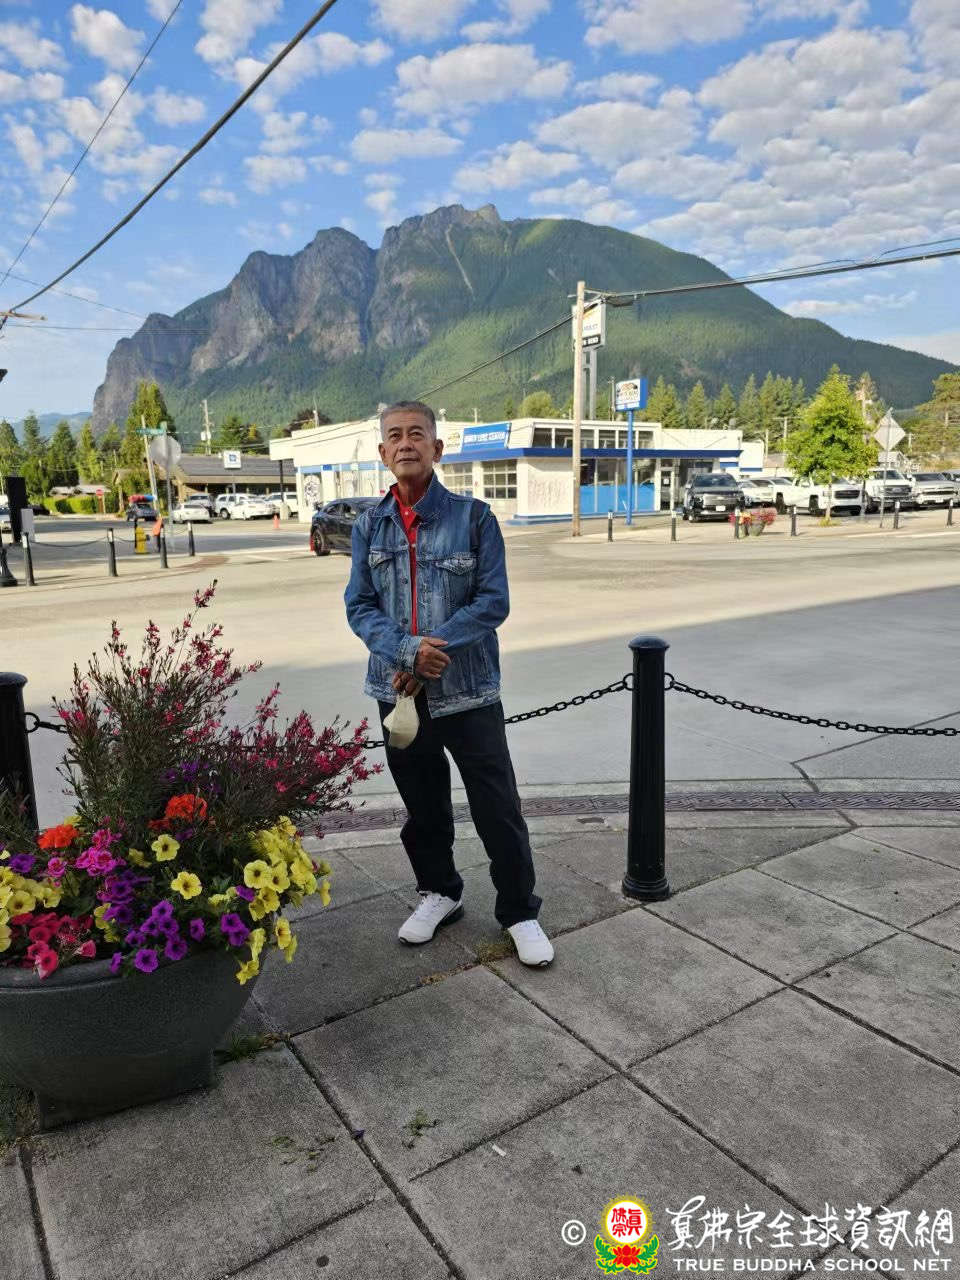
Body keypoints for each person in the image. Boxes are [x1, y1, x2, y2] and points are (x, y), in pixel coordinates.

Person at [344, 400, 553, 966]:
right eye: (394, 435)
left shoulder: (475, 518)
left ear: (437, 449)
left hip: (470, 692)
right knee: (423, 805)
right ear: (383, 452)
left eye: (417, 434)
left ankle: (520, 911)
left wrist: (434, 649)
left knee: (497, 805)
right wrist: (408, 651)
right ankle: (439, 892)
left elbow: (493, 601)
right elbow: (359, 606)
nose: (405, 443)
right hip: (399, 695)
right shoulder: (368, 525)